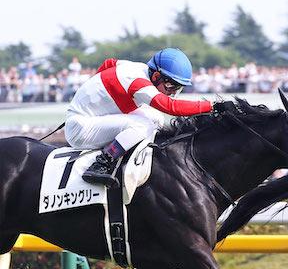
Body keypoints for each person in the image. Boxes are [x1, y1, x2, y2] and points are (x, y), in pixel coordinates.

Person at [64, 48, 233, 187]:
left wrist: (94, 96)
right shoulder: (138, 83)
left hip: (91, 119)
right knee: (143, 125)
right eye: (170, 85)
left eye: (178, 87)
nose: (173, 91)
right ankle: (102, 163)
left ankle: (124, 154)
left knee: (156, 119)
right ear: (156, 76)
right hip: (80, 129)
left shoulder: (137, 67)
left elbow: (109, 63)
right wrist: (212, 106)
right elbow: (171, 107)